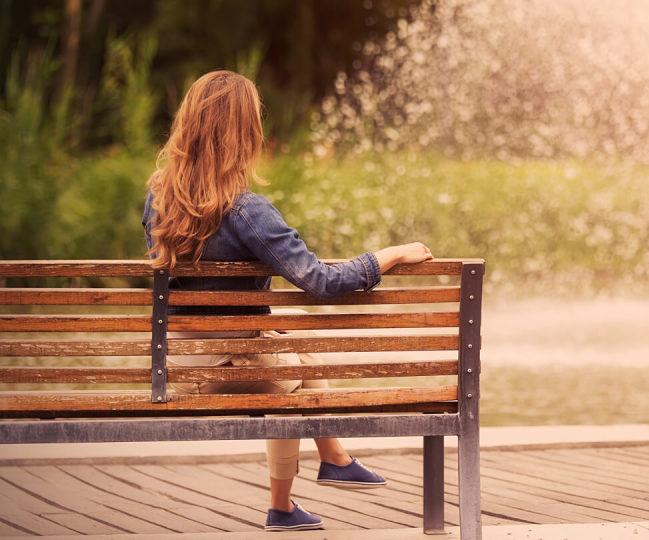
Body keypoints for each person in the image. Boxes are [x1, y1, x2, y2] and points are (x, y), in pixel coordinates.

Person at [141, 70, 433, 531]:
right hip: (228, 363)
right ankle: (324, 466)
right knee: (292, 374)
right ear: (245, 134)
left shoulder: (159, 198)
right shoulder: (246, 210)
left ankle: (306, 486)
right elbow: (318, 280)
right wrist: (387, 256)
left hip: (177, 364)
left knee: (296, 356)